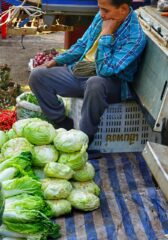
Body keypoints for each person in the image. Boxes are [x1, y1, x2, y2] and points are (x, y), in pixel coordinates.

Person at [28, 0, 146, 144]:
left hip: (110, 84)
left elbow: (105, 70)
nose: (101, 14)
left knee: (95, 83)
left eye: (105, 10)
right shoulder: (103, 16)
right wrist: (56, 61)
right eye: (100, 9)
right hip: (81, 72)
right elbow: (82, 44)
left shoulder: (135, 38)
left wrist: (106, 34)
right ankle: (62, 122)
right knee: (37, 75)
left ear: (123, 9)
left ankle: (85, 137)